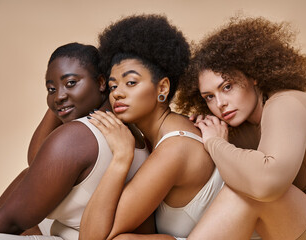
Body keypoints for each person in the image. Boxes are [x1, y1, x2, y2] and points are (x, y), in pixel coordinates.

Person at [175, 16, 306, 239]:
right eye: (209, 97)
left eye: (227, 87)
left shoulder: (286, 105)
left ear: (253, 76)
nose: (220, 104)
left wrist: (214, 142)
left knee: (249, 193)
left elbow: (265, 184)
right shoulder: (248, 125)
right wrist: (206, 128)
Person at [79, 14, 224, 240]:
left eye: (131, 82)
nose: (116, 93)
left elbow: (92, 238)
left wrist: (122, 157)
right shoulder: (160, 135)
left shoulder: (176, 147)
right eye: (113, 85)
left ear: (162, 87)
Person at [0, 42, 148, 240]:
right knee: (25, 178)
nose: (58, 96)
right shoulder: (134, 132)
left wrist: (64, 98)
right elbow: (37, 162)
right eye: (50, 89)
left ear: (101, 82)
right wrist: (65, 98)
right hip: (71, 230)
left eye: (71, 82)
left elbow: (10, 222)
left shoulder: (75, 137)